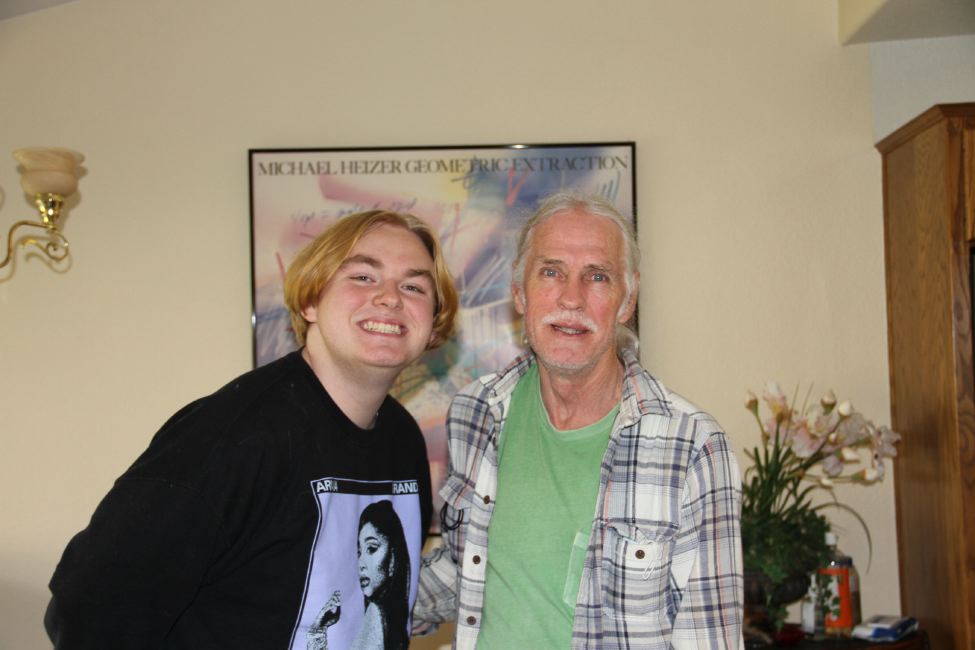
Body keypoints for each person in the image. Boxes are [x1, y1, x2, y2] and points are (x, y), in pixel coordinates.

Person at [45, 210, 459, 649]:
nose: (390, 298)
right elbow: (88, 608)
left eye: (414, 287)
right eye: (362, 277)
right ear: (310, 301)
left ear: (432, 321)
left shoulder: (401, 438)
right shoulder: (233, 436)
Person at [413, 191, 744, 649]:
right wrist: (351, 598)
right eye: (551, 272)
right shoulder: (476, 412)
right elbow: (467, 566)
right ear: (519, 292)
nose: (572, 298)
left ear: (627, 300)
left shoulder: (692, 446)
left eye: (597, 276)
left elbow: (710, 638)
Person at [308, 500, 412, 650]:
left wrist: (317, 632)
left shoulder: (375, 616)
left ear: (392, 559)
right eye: (359, 552)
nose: (361, 563)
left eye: (371, 549)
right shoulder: (389, 620)